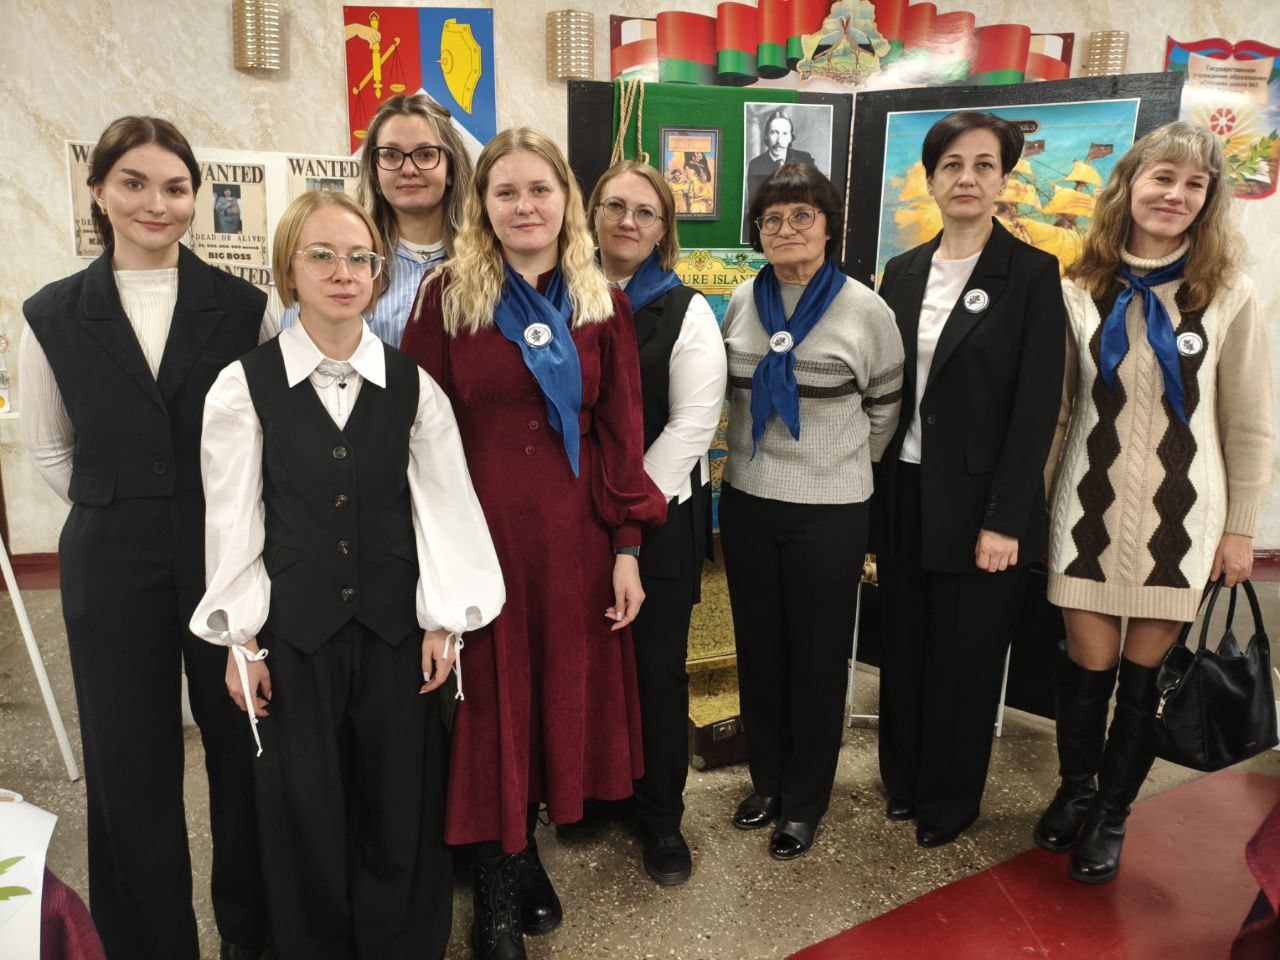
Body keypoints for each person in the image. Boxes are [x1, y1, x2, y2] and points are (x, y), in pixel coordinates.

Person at [189, 189, 505, 959]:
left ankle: (401, 943)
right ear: (289, 271)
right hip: (295, 636)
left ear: (377, 273)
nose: (343, 272)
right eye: (322, 256)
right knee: (304, 807)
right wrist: (241, 641)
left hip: (395, 633)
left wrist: (445, 620)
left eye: (359, 258)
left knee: (399, 803)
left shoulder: (414, 386)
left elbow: (444, 508)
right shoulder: (243, 385)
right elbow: (233, 521)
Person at [400, 128, 667, 960]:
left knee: (550, 700)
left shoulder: (601, 301)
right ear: (482, 204)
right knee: (490, 710)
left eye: (539, 190)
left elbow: (622, 433)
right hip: (481, 537)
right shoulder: (447, 297)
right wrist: (431, 559)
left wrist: (626, 547)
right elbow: (415, 432)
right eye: (506, 191)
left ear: (566, 202)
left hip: (573, 542)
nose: (524, 206)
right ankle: (496, 889)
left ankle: (524, 854)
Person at [19, 116, 270, 960]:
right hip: (110, 556)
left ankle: (254, 933)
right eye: (134, 183)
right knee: (128, 763)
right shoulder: (54, 312)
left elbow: (266, 437)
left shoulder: (244, 308)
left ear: (196, 197)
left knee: (244, 746)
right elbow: (50, 448)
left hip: (221, 554)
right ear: (99, 191)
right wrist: (121, 502)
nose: (155, 203)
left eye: (175, 187)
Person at [1040, 120, 1274, 883]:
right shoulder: (1078, 288)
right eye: (1162, 178)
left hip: (1183, 521)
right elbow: (1059, 413)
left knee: (1143, 681)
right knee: (1088, 666)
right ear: (1130, 185)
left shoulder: (1228, 294)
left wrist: (1239, 532)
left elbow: (1249, 423)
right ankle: (1076, 790)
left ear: (1208, 199)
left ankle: (1112, 813)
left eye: (1193, 184)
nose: (1175, 194)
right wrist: (1037, 508)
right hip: (1086, 515)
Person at [874, 111, 1067, 848]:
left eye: (984, 165)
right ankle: (903, 778)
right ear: (931, 179)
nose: (967, 178)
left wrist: (1005, 520)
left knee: (967, 658)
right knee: (904, 643)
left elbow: (1036, 408)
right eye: (952, 164)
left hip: (982, 504)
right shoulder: (901, 272)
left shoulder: (1031, 275)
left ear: (1002, 181)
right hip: (905, 489)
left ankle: (950, 800)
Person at [721, 163, 903, 861]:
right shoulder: (744, 299)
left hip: (829, 511)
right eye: (771, 218)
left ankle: (803, 802)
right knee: (760, 651)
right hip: (747, 502)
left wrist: (835, 468)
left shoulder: (866, 310)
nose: (786, 228)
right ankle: (766, 783)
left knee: (818, 659)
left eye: (803, 215)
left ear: (830, 226)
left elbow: (884, 411)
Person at [584, 159, 727, 884]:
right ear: (592, 213)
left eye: (645, 211)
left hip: (659, 516)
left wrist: (627, 520)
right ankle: (597, 792)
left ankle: (661, 815)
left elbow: (691, 428)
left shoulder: (686, 311)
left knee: (653, 669)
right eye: (615, 205)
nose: (628, 221)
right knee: (588, 664)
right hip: (576, 519)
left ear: (664, 227)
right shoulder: (562, 296)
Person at [275, 94, 473, 346]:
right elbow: (298, 349)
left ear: (451, 170)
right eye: (391, 155)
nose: (408, 169)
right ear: (374, 170)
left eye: (425, 154)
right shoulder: (342, 261)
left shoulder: (487, 262)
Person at [743, 109, 816, 237]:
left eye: (784, 133)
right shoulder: (756, 164)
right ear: (766, 135)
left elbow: (814, 195)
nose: (779, 140)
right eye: (774, 133)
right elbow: (756, 204)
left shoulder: (804, 159)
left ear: (790, 137)